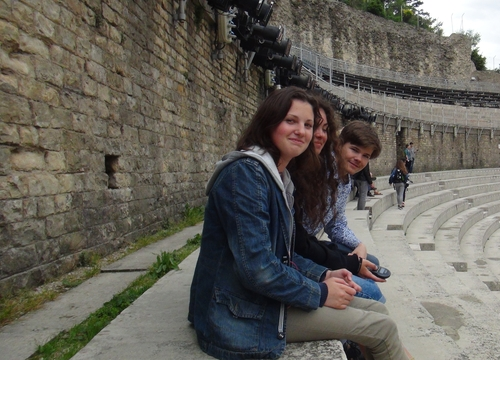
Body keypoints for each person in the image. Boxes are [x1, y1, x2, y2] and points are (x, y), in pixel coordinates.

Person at [188, 87, 409, 360]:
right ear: (269, 121)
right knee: (382, 328)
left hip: (256, 300)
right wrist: (320, 292)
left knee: (378, 311)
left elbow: (284, 252)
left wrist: (323, 275)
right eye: (291, 121)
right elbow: (258, 269)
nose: (302, 132)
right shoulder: (246, 175)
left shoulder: (278, 176)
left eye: (308, 125)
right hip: (236, 315)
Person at [291, 97, 385, 303]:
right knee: (372, 292)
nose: (359, 159)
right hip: (299, 249)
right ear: (339, 144)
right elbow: (297, 237)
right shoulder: (318, 169)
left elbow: (336, 223)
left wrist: (358, 245)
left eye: (366, 156)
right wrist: (347, 263)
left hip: (309, 244)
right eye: (355, 150)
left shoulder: (345, 181)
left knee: (371, 261)